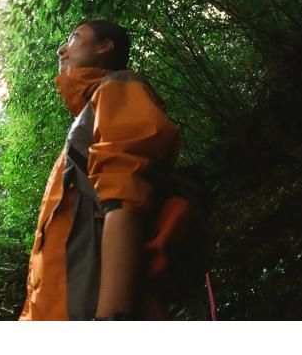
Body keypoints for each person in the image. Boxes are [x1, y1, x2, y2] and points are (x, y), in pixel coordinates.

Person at [18, 19, 181, 321]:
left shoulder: (117, 90)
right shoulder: (88, 116)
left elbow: (124, 200)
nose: (61, 49)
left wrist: (111, 319)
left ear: (105, 46)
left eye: (75, 37)